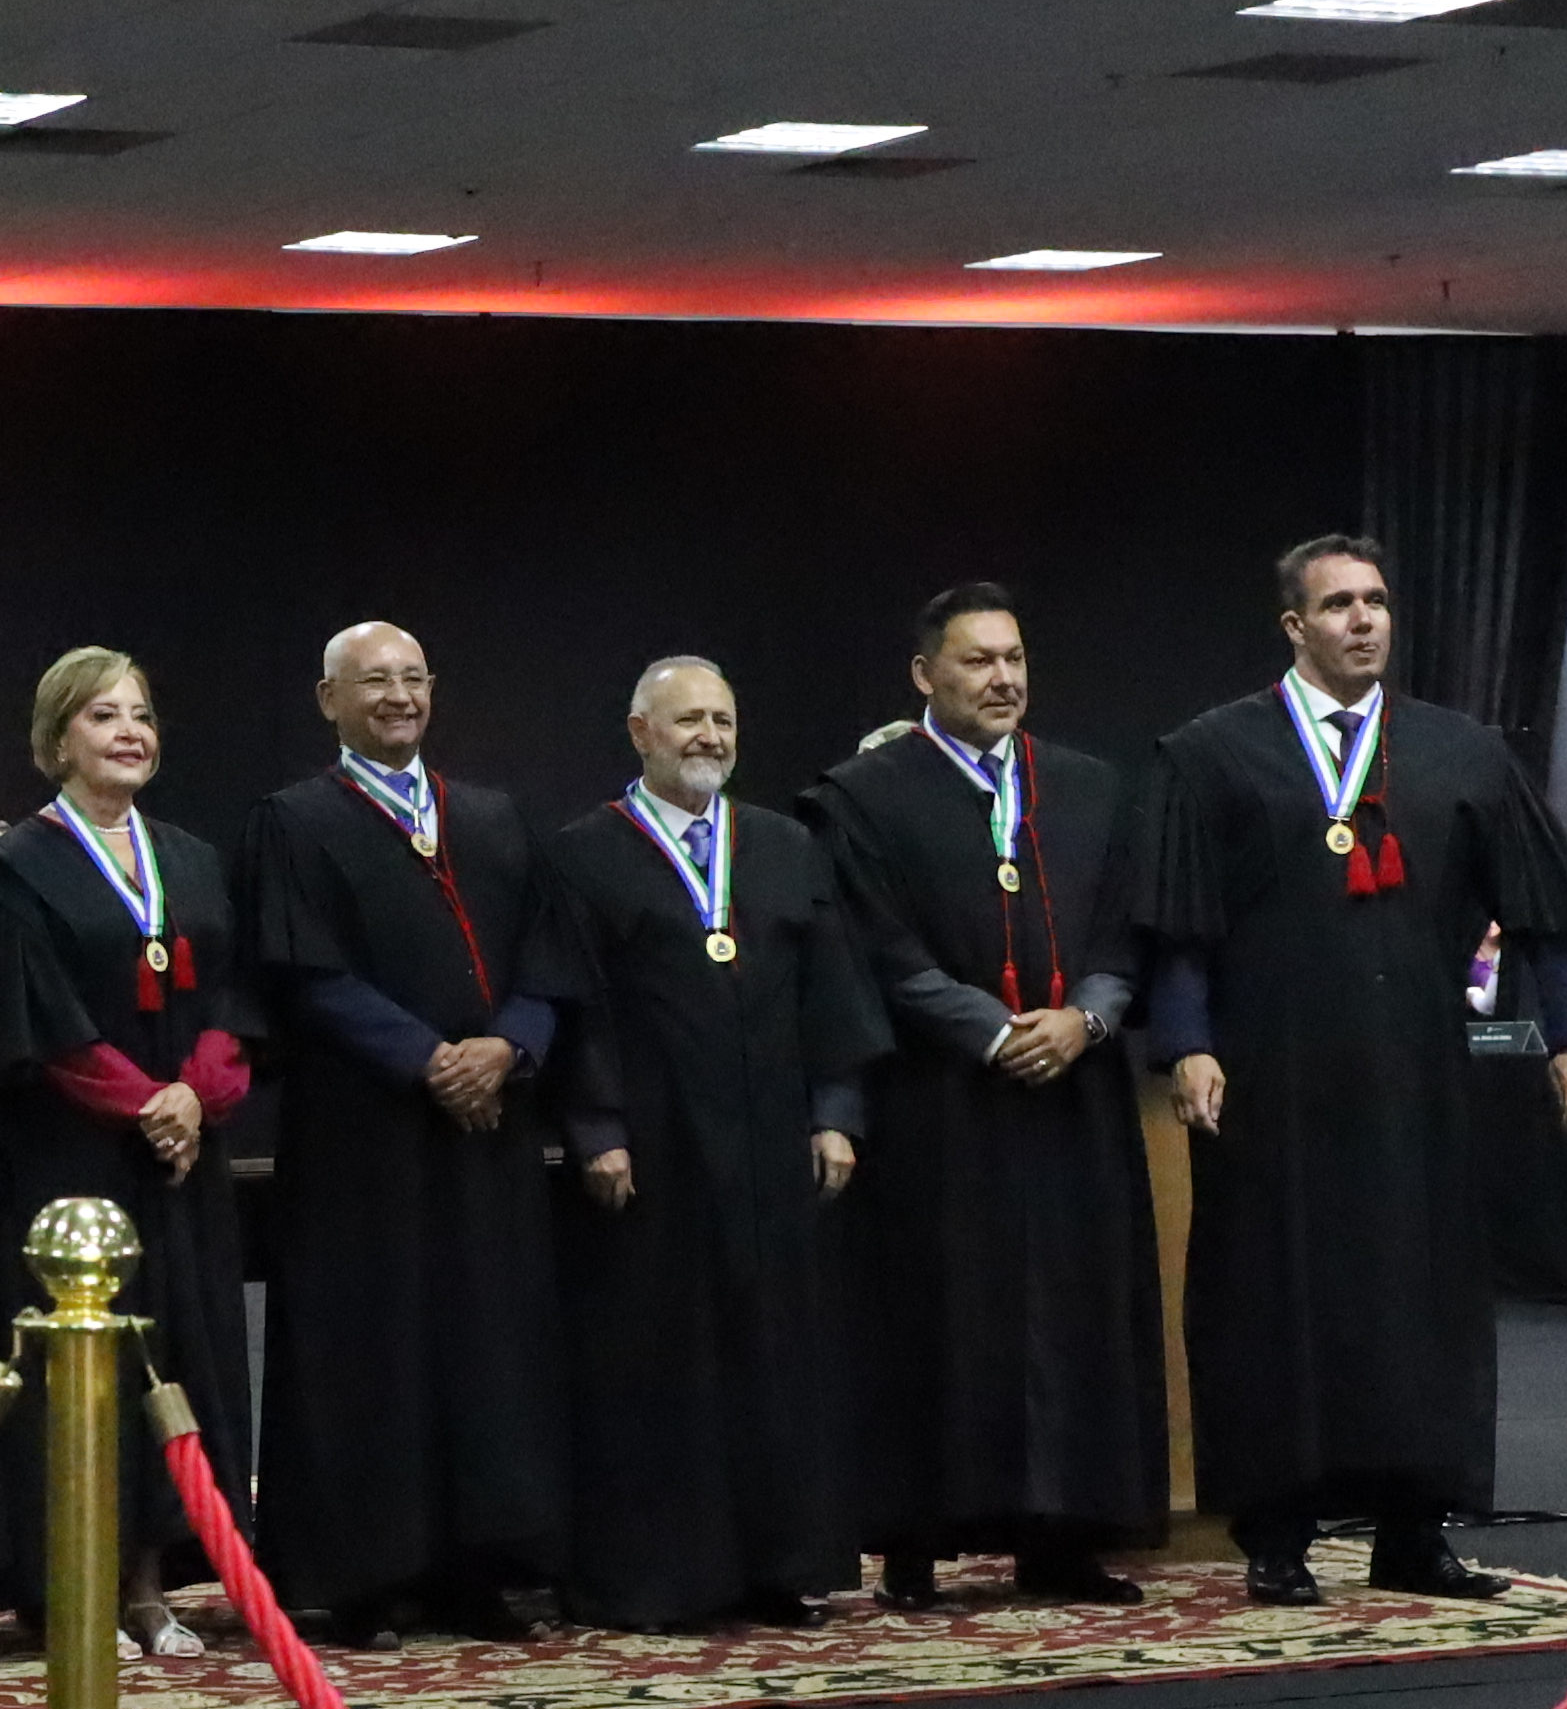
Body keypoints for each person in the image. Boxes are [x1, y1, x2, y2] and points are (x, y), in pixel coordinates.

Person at [1142, 535, 1567, 1605]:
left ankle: (1415, 1532)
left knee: (1421, 1301)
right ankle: (1277, 1536)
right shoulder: (1213, 753)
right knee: (1272, 1300)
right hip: (1270, 1081)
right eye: (1338, 605)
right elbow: (1178, 925)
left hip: (1417, 1083)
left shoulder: (1461, 752)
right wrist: (1187, 1042)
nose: (1364, 621)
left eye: (1377, 601)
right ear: (1294, 626)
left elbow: (1548, 911)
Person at [802, 586, 1162, 1609]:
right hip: (939, 1103)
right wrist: (992, 1031)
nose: (1003, 679)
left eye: (1014, 659)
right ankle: (917, 1543)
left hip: (1073, 1100)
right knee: (937, 1315)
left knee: (1075, 1315)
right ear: (926, 675)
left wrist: (1086, 1019)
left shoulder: (1088, 787)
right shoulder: (860, 797)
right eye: (977, 661)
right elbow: (874, 950)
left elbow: (1126, 934)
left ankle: (1066, 1540)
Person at [526, 656, 885, 1631]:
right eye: (688, 720)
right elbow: (576, 1007)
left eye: (722, 720)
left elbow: (833, 988)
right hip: (655, 1152)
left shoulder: (783, 845)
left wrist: (836, 1112)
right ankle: (662, 1578)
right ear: (640, 732)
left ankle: (779, 1568)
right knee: (662, 1361)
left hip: (775, 1150)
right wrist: (597, 1129)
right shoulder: (584, 854)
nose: (709, 738)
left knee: (776, 1354)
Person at [234, 621, 562, 1646]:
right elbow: (303, 974)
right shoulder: (294, 822)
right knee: (368, 1350)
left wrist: (507, 1047)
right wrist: (429, 1060)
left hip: (487, 1134)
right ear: (327, 699)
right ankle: (364, 1577)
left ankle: (477, 1567)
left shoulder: (494, 816)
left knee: (486, 1346)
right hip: (362, 1137)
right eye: (373, 680)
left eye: (414, 678)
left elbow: (549, 962)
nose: (398, 697)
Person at [0, 647, 254, 1657]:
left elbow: (233, 1003)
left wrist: (196, 1096)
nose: (129, 732)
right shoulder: (14, 869)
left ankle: (150, 1588)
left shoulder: (192, 858)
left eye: (140, 715)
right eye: (102, 716)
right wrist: (147, 1105)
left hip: (180, 1166)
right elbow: (38, 1022)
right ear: (57, 740)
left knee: (172, 1363)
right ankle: (70, 1591)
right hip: (73, 1167)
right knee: (79, 1381)